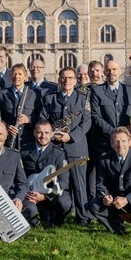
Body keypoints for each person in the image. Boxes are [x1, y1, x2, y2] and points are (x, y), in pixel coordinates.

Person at [89, 59, 131, 204]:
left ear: (120, 71)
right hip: (104, 143)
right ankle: (103, 210)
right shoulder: (96, 91)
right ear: (104, 72)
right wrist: (115, 133)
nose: (111, 72)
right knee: (103, 180)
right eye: (108, 70)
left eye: (114, 69)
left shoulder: (130, 90)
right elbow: (96, 117)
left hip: (125, 145)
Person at [40, 67, 92, 226]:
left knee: (79, 186)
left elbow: (87, 122)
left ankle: (83, 219)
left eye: (70, 78)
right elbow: (43, 118)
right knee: (54, 185)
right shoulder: (50, 98)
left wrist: (71, 137)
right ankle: (54, 218)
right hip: (55, 150)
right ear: (59, 79)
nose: (66, 81)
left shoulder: (83, 98)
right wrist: (51, 134)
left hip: (76, 149)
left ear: (76, 80)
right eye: (63, 77)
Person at [87, 127, 131, 236]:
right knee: (93, 205)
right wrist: (105, 197)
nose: (120, 145)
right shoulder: (105, 159)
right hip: (114, 200)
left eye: (123, 141)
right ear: (112, 144)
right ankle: (117, 228)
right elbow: (101, 183)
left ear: (129, 142)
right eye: (116, 141)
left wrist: (127, 199)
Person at [20, 120, 71, 227]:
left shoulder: (59, 154)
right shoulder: (24, 151)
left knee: (64, 202)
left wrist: (44, 197)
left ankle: (57, 219)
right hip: (30, 193)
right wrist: (27, 193)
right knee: (29, 209)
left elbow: (64, 181)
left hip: (50, 193)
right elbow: (19, 177)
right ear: (34, 133)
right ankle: (33, 220)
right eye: (39, 132)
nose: (43, 136)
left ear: (52, 133)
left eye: (46, 133)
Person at [0, 64, 39, 150]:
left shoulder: (34, 94)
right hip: (9, 142)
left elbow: (41, 117)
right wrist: (5, 126)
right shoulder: (2, 94)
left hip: (28, 142)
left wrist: (28, 119)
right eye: (14, 74)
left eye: (20, 74)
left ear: (25, 77)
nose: (16, 77)